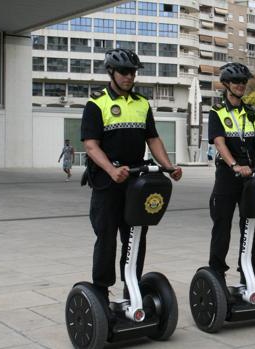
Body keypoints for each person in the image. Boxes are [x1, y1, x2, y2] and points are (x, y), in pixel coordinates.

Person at [80, 48, 182, 302]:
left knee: (135, 236)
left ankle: (132, 287)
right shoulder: (96, 104)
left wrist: (169, 167)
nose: (129, 77)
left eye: (133, 72)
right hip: (107, 182)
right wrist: (112, 170)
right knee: (106, 237)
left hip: (137, 183)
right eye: (124, 72)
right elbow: (91, 145)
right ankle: (101, 292)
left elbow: (153, 138)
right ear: (111, 72)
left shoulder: (141, 104)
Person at [208, 62, 255, 284]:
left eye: (244, 82)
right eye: (236, 82)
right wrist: (234, 165)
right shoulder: (217, 112)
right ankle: (216, 273)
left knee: (250, 224)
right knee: (222, 225)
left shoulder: (252, 112)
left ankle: (247, 271)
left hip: (252, 176)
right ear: (226, 84)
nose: (241, 85)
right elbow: (219, 143)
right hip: (228, 175)